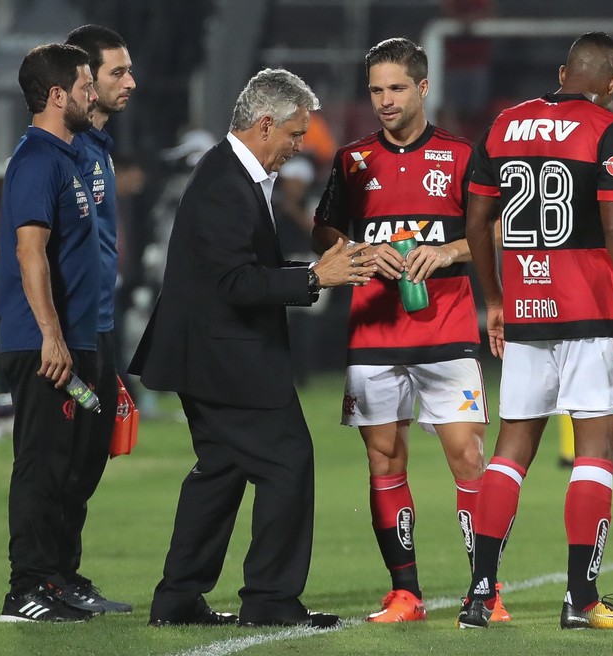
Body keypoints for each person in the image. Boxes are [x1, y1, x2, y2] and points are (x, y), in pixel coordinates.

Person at [128, 68, 372, 629]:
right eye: (293, 135)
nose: (296, 147)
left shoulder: (231, 175)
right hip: (225, 359)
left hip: (211, 355)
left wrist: (309, 274)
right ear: (265, 125)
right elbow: (234, 284)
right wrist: (314, 278)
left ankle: (178, 598)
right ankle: (269, 599)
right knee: (288, 462)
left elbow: (236, 274)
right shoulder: (223, 183)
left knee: (220, 471)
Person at [458, 32, 613, 630]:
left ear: (563, 71)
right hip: (590, 310)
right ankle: (582, 599)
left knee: (511, 451)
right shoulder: (608, 127)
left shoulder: (504, 123)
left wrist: (493, 299)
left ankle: (480, 595)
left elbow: (476, 221)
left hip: (524, 308)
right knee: (595, 451)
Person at [311, 37, 508, 624]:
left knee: (467, 455)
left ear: (423, 88)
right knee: (383, 459)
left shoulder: (461, 154)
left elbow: (494, 232)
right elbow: (324, 231)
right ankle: (405, 593)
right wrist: (360, 249)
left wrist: (446, 253)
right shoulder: (352, 160)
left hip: (446, 328)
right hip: (374, 331)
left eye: (397, 88)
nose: (385, 100)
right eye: (376, 90)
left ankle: (485, 591)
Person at [0, 43, 101, 623]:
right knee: (40, 463)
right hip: (43, 347)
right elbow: (29, 252)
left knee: (65, 465)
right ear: (58, 95)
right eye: (85, 85)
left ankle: (53, 580)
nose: (93, 94)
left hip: (70, 343)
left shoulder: (66, 158)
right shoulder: (36, 160)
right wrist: (51, 337)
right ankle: (26, 588)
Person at [60, 23, 137, 615]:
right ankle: (45, 580)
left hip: (101, 330)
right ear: (83, 81)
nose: (129, 82)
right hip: (74, 336)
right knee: (61, 459)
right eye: (116, 72)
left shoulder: (101, 152)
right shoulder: (68, 153)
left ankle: (66, 574)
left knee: (89, 457)